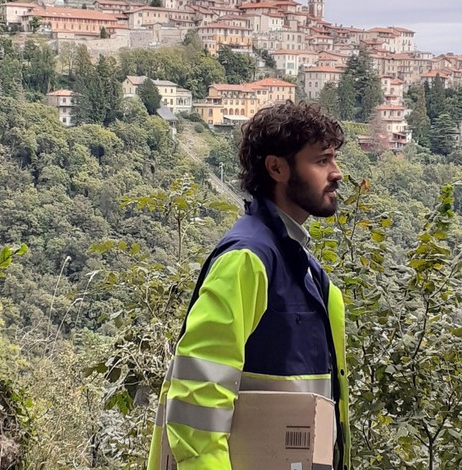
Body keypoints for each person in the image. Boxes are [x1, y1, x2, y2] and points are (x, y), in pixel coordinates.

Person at [147, 101, 350, 470]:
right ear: (277, 168)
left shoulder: (304, 269)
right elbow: (197, 401)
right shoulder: (247, 260)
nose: (337, 173)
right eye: (321, 161)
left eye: (333, 159)